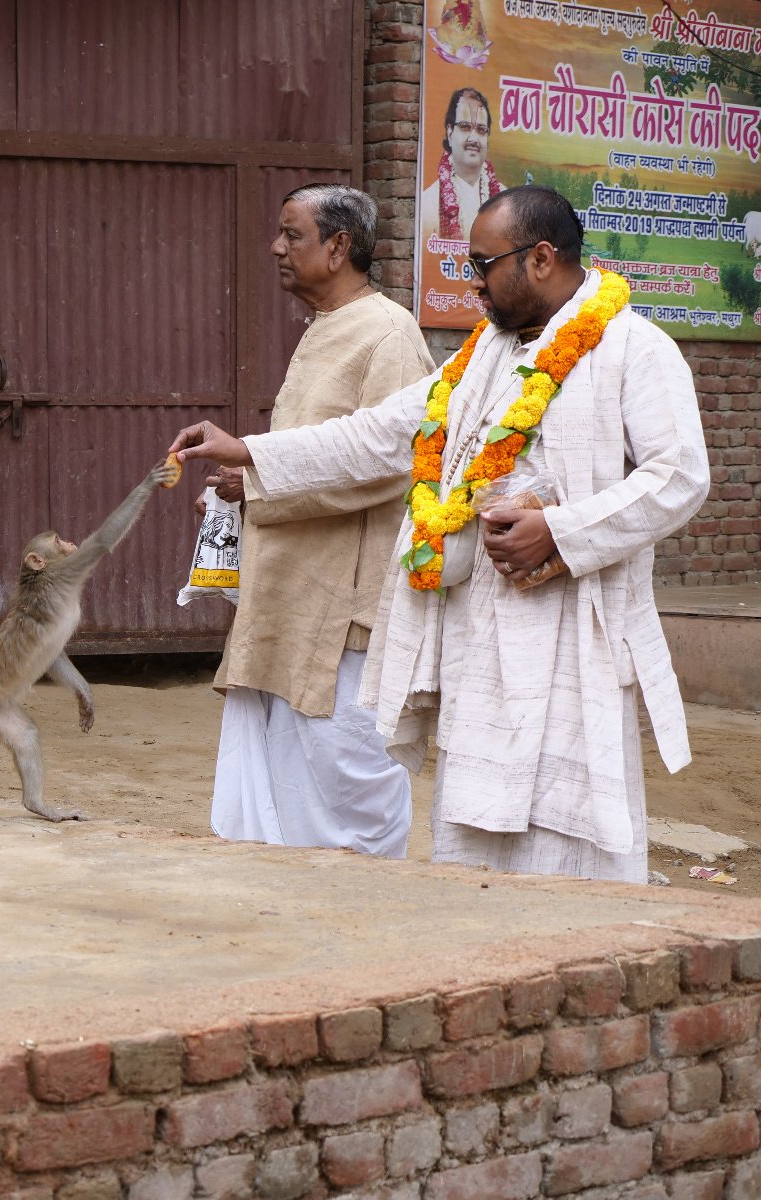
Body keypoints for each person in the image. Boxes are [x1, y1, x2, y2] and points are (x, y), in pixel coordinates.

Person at [170, 186, 711, 883]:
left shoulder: (635, 349)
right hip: (478, 637)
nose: (474, 284)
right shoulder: (480, 357)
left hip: (574, 636)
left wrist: (560, 531)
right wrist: (251, 452)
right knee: (469, 826)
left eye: (484, 266)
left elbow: (679, 478)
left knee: (569, 825)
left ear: (542, 258)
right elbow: (382, 437)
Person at [203, 185, 434, 856]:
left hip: (344, 606)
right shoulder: (330, 326)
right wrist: (244, 487)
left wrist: (256, 472)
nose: (276, 247)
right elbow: (310, 460)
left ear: (338, 248)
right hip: (295, 591)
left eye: (292, 234)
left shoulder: (389, 332)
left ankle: (360, 918)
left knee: (344, 776)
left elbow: (389, 464)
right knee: (293, 772)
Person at [420, 88, 505, 245]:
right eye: (465, 127)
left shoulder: (505, 200)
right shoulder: (429, 203)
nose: (473, 138)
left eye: (481, 130)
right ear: (450, 133)